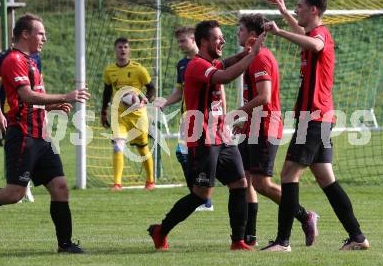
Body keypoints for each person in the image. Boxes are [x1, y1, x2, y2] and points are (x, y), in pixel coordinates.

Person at [261, 0, 369, 251]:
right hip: (317, 118)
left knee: (288, 174)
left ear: (314, 10)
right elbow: (304, 35)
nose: (297, 10)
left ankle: (283, 242)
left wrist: (279, 32)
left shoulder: (321, 34)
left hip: (315, 118)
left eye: (299, 6)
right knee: (326, 179)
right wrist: (286, 14)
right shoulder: (310, 33)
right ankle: (357, 237)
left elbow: (315, 43)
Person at [148, 20, 265, 251]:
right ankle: (161, 230)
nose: (222, 41)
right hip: (203, 140)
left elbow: (227, 63)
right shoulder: (196, 65)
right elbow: (226, 76)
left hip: (223, 137)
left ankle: (238, 241)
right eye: (217, 38)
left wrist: (247, 52)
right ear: (204, 42)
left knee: (240, 185)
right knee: (201, 195)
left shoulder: (211, 62)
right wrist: (252, 56)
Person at [0, 13, 89, 253]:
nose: (44, 37)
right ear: (26, 34)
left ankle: (65, 245)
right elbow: (26, 96)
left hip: (42, 137)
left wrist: (53, 106)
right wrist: (65, 96)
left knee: (61, 187)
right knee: (14, 193)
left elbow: (32, 100)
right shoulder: (13, 59)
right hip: (23, 135)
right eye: (40, 33)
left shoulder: (32, 61)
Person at [235, 14, 318, 247]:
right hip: (252, 126)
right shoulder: (252, 56)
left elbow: (264, 97)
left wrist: (238, 112)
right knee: (246, 180)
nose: (237, 34)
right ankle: (248, 236)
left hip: (264, 126)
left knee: (262, 184)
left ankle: (305, 215)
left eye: (240, 30)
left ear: (253, 35)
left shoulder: (260, 57)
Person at [155, 26, 213, 212]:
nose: (180, 44)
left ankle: (204, 199)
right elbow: (179, 92)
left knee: (203, 158)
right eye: (178, 41)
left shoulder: (205, 61)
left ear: (194, 39)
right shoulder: (181, 64)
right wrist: (164, 102)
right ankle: (198, 198)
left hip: (203, 119)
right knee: (183, 155)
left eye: (183, 40)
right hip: (186, 119)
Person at [100, 37, 156, 191]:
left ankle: (150, 181)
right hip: (119, 115)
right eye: (119, 47)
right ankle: (117, 184)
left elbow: (151, 88)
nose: (122, 50)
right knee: (118, 145)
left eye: (125, 47)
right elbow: (107, 92)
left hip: (138, 115)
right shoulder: (109, 70)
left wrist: (145, 100)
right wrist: (103, 112)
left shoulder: (139, 69)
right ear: (115, 49)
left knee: (142, 148)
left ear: (129, 50)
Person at [0, 51, 43, 203]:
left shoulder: (36, 58)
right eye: (40, 34)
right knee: (13, 150)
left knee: (30, 150)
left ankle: (24, 186)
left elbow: (38, 87)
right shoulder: (4, 58)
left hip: (32, 114)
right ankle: (16, 187)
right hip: (11, 111)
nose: (43, 39)